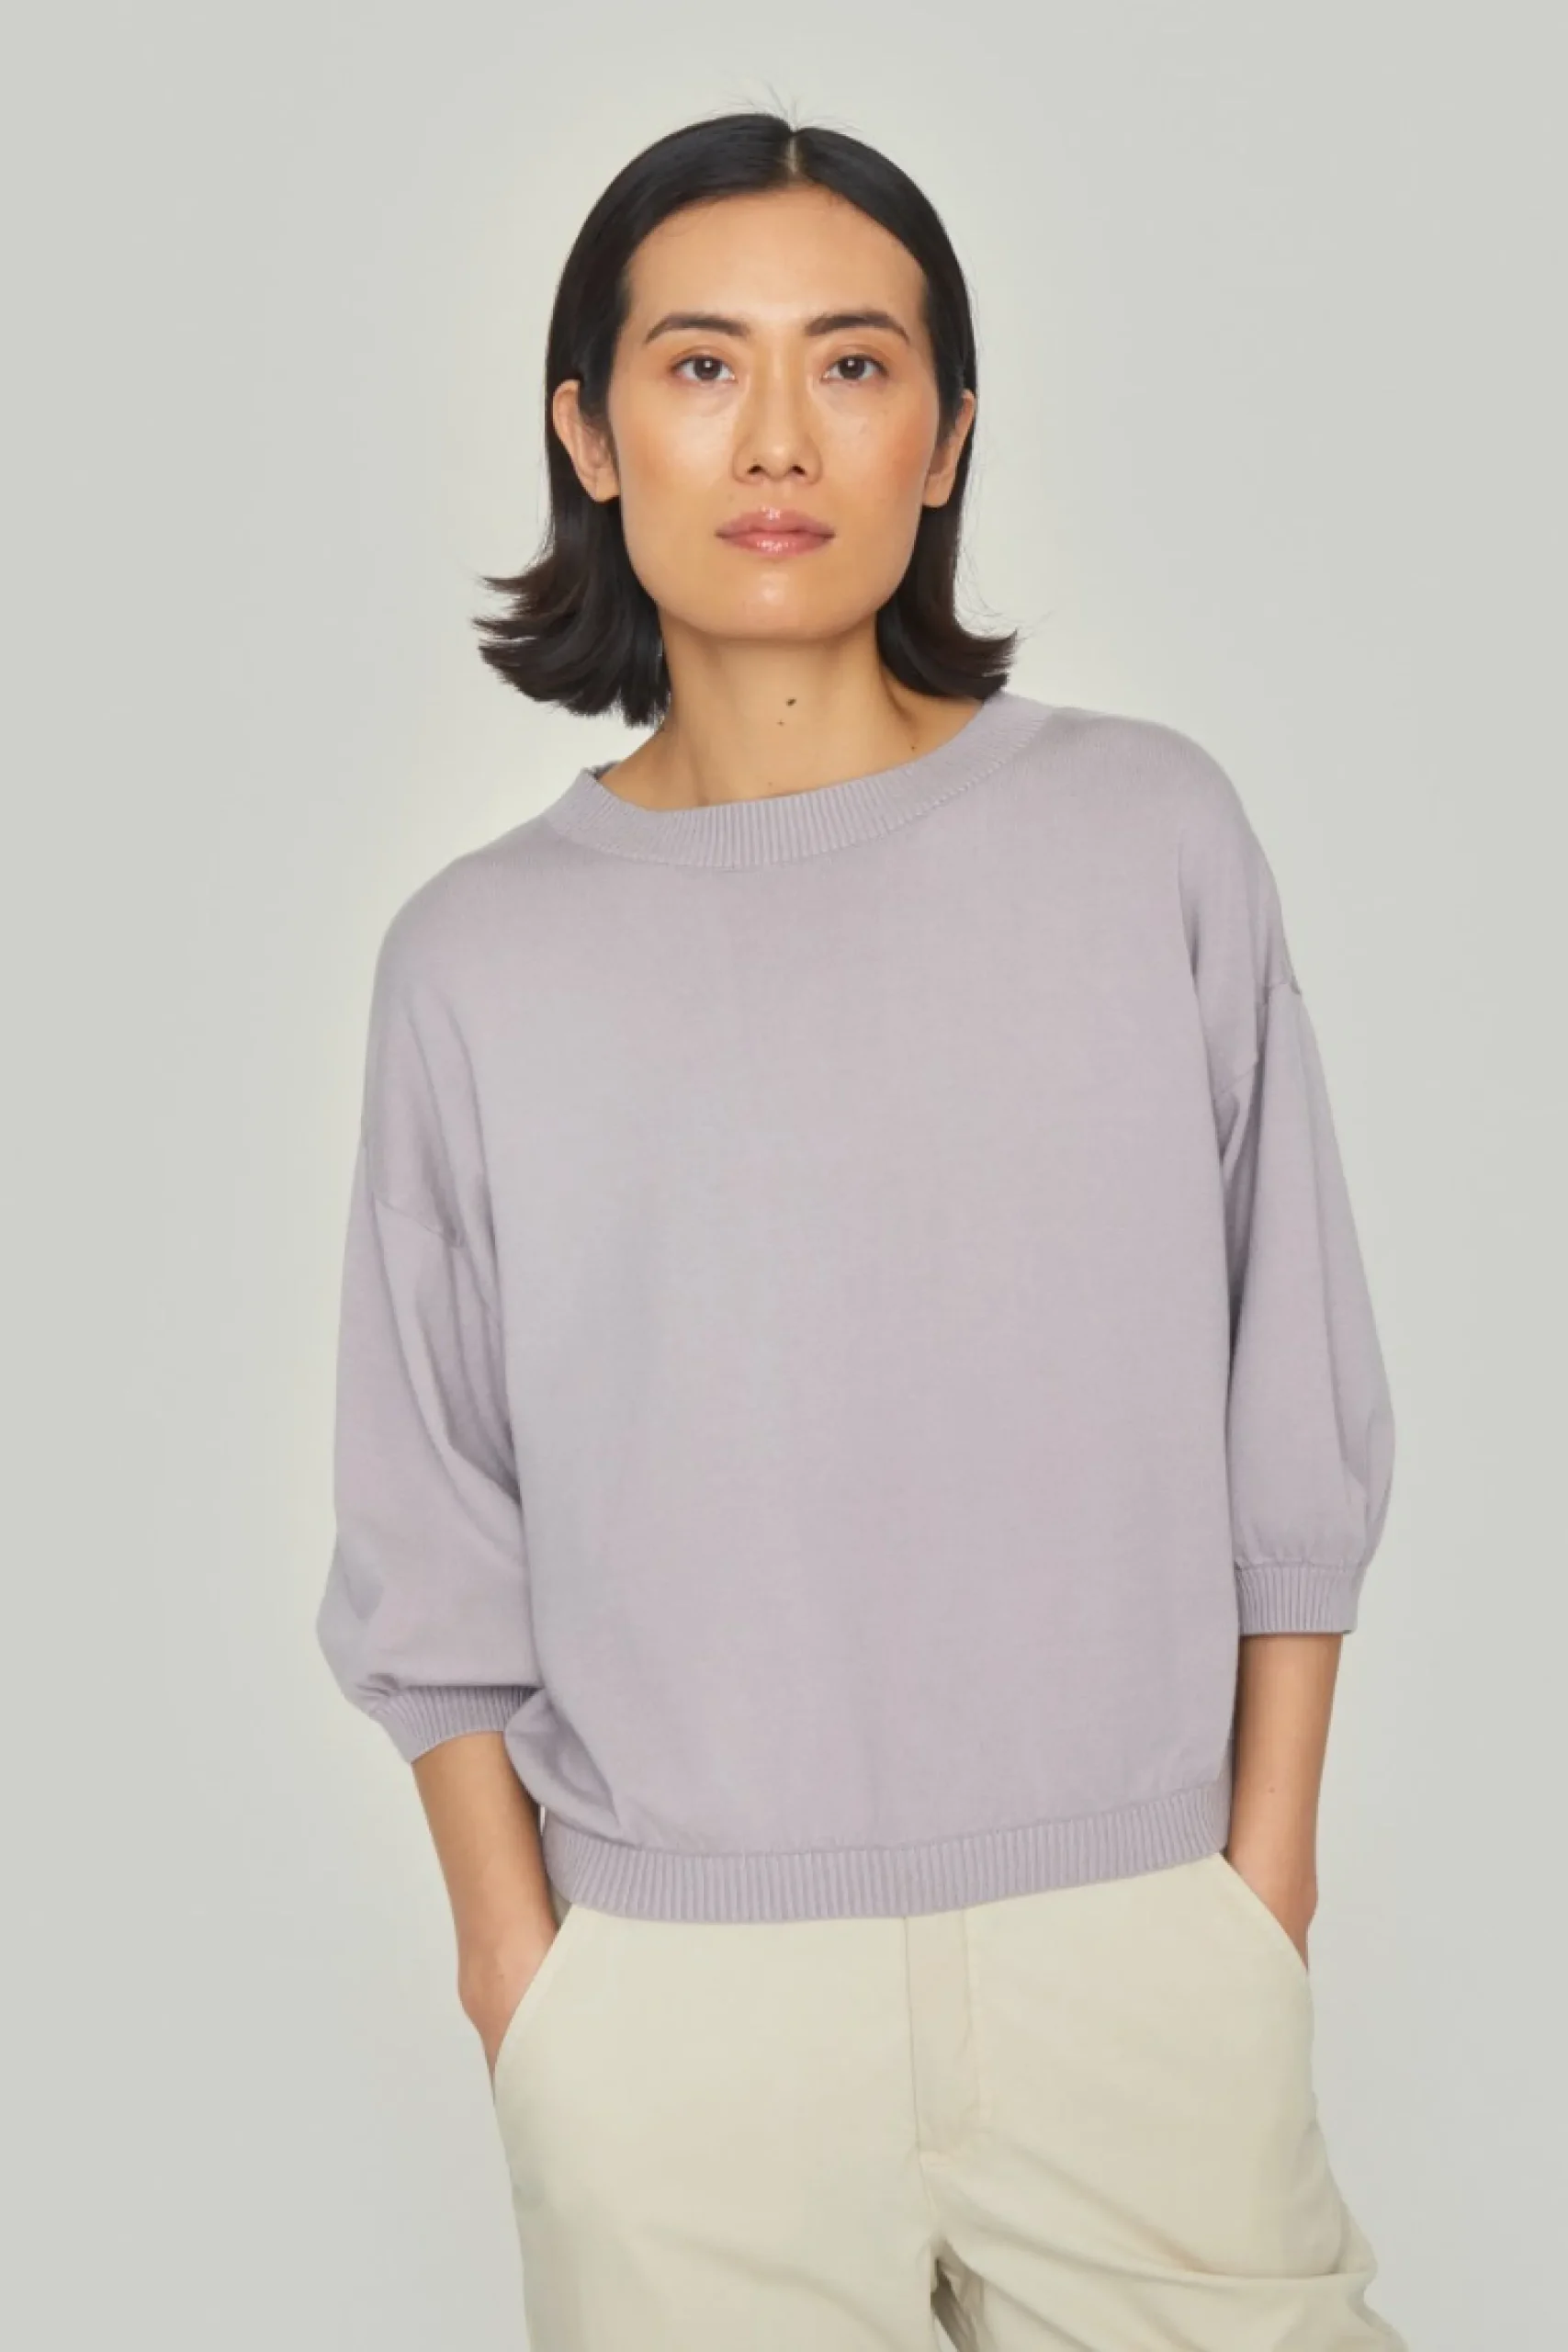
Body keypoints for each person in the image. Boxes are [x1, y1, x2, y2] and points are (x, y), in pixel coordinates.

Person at [317, 107, 1406, 2352]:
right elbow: (432, 1515)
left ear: (948, 435)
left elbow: (1288, 1393)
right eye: (701, 366)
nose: (777, 439)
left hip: (1140, 1952)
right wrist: (525, 1978)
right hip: (677, 2011)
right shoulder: (477, 959)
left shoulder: (1148, 836)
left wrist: (1256, 1888)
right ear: (588, 433)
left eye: (853, 363)